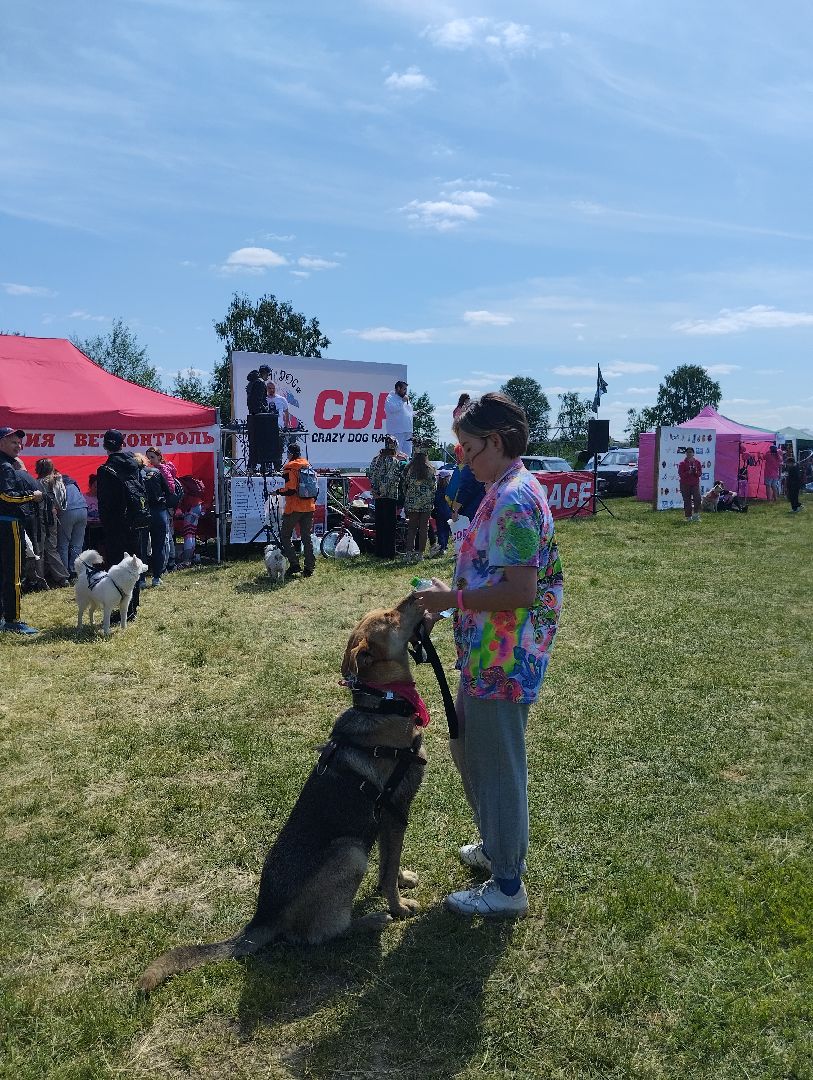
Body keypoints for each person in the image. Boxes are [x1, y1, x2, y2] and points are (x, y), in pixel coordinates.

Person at [414, 392, 563, 919]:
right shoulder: (500, 489)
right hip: (487, 653)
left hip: (505, 659)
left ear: (496, 442)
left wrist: (450, 600)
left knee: (497, 765)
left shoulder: (515, 498)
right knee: (472, 751)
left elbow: (520, 592)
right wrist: (449, 595)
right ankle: (498, 849)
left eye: (469, 449)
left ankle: (506, 886)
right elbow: (490, 576)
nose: (464, 461)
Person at [96, 428, 147, 621]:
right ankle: (133, 606)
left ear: (104, 446)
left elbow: (105, 503)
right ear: (122, 444)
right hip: (136, 521)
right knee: (134, 564)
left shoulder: (105, 470)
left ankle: (123, 609)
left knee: (118, 566)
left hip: (116, 524)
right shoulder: (135, 465)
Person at [0, 426, 45, 634]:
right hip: (9, 523)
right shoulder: (6, 467)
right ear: (1, 443)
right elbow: (7, 496)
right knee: (14, 572)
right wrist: (31, 495)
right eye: (13, 442)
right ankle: (13, 619)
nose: (18, 446)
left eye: (19, 442)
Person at [278, 442, 316, 579]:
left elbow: (290, 490)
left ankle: (294, 564)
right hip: (309, 506)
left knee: (285, 536)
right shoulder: (307, 465)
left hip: (294, 507)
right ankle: (309, 568)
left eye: (287, 453)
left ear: (291, 454)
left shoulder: (290, 468)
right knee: (306, 538)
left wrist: (277, 491)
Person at [136, 453, 172, 586]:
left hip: (142, 512)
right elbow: (169, 491)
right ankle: (157, 577)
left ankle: (141, 579)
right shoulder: (156, 472)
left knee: (141, 547)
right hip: (159, 512)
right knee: (159, 546)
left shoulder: (134, 475)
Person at [33, 459, 70, 587]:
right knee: (52, 548)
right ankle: (62, 577)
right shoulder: (57, 482)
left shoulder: (36, 482)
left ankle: (40, 578)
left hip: (39, 517)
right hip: (52, 517)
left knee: (39, 549)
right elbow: (62, 503)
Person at [367, 437, 405, 558]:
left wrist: (375, 491)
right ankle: (388, 553)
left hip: (377, 497)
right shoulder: (394, 461)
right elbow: (390, 479)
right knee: (389, 525)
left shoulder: (376, 459)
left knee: (380, 524)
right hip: (389, 496)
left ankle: (379, 551)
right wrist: (382, 492)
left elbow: (370, 475)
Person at [401, 451, 436, 563]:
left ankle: (408, 554)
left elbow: (404, 485)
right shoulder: (430, 469)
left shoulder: (409, 468)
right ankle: (420, 554)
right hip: (426, 502)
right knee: (423, 529)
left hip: (412, 502)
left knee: (411, 528)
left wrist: (408, 495)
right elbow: (433, 486)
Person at [57, 471, 88, 580]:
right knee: (77, 544)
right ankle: (75, 572)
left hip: (68, 512)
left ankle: (64, 573)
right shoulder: (74, 483)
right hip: (83, 509)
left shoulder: (58, 484)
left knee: (63, 544)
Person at [384, 380, 414, 456]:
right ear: (398, 388)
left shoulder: (404, 399)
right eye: (404, 389)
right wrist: (402, 401)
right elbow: (391, 409)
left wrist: (416, 413)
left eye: (406, 389)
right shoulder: (391, 398)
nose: (405, 391)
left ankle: (405, 467)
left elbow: (407, 413)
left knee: (407, 455)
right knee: (396, 454)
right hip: (397, 431)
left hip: (408, 431)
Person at [430, 471, 452, 557]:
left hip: (439, 512)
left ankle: (441, 546)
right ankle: (444, 547)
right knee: (446, 530)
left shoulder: (436, 489)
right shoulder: (449, 489)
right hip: (447, 512)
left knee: (440, 530)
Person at [678, 446, 703, 522]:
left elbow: (700, 473)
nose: (689, 453)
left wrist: (695, 472)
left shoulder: (697, 462)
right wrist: (688, 472)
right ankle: (688, 517)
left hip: (695, 484)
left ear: (693, 453)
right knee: (687, 500)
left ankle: (696, 515)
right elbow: (681, 474)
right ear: (685, 453)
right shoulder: (682, 463)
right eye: (687, 452)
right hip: (685, 484)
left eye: (690, 452)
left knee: (697, 499)